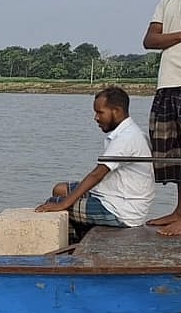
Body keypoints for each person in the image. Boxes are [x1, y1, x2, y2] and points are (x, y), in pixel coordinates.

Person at [36, 87, 154, 235]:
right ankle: (81, 234)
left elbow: (97, 174)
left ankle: (77, 244)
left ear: (116, 111)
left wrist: (64, 203)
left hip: (120, 210)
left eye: (100, 112)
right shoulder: (130, 132)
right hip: (112, 194)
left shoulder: (126, 139)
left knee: (53, 203)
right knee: (60, 189)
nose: (96, 118)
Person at [142, 0, 181, 236]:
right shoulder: (168, 0)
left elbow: (160, 38)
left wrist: (169, 36)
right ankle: (180, 209)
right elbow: (150, 40)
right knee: (174, 153)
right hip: (167, 84)